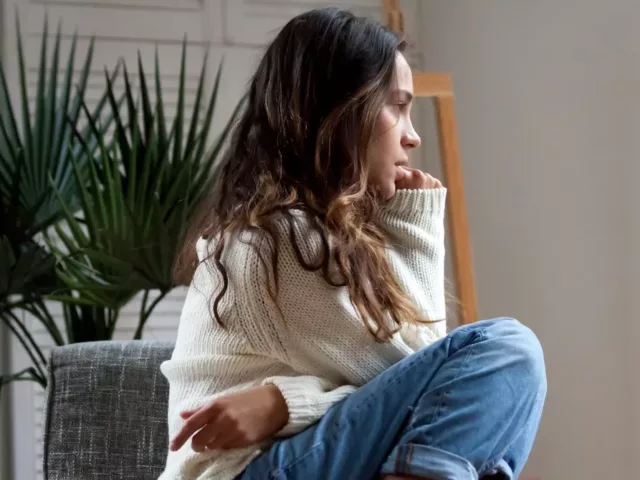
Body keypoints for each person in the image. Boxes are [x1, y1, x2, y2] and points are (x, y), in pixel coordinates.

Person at [159, 7, 546, 480]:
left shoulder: (314, 234)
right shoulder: (277, 242)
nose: (414, 136)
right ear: (342, 111)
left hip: (290, 462)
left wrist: (285, 404)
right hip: (249, 472)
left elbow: (430, 399)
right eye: (398, 107)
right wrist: (418, 225)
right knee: (508, 350)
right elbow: (434, 378)